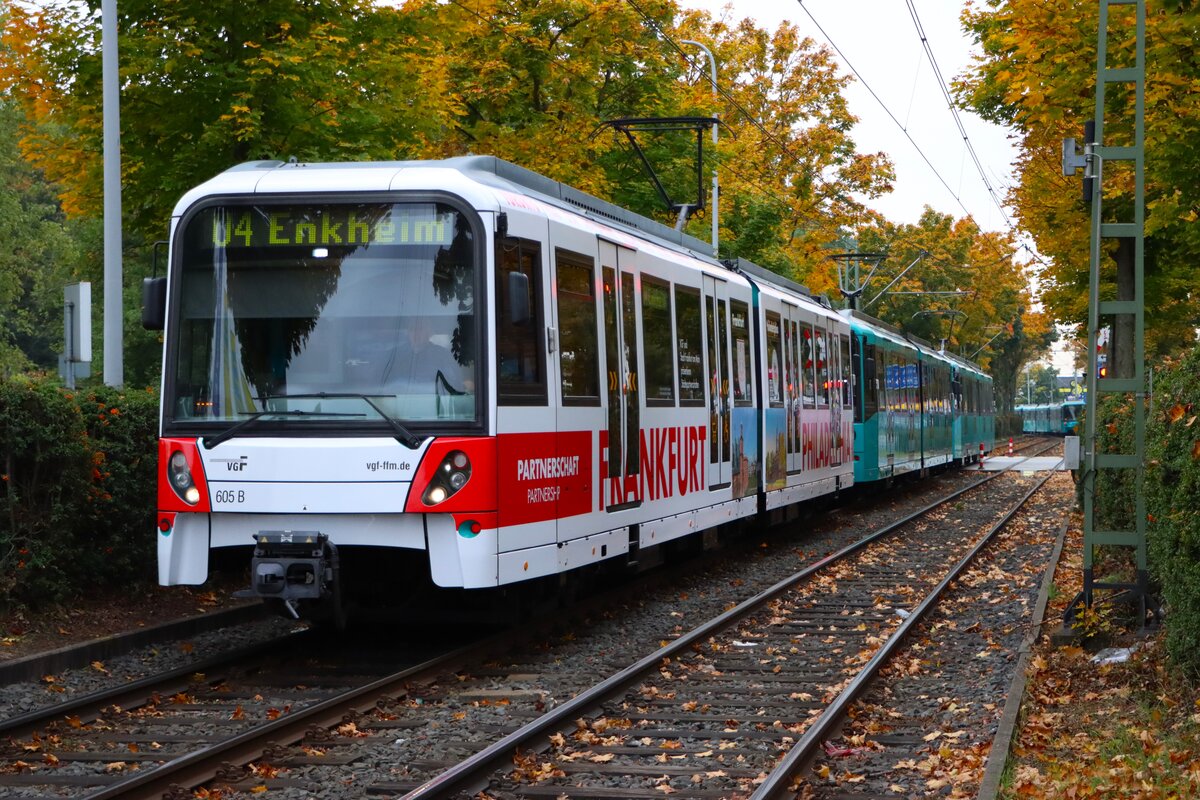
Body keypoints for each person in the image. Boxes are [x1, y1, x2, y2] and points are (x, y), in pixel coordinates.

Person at [382, 315, 473, 395]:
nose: (416, 333)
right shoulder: (396, 356)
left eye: (420, 329)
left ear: (429, 332)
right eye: (413, 329)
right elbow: (384, 384)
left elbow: (454, 384)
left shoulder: (443, 355)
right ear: (408, 332)